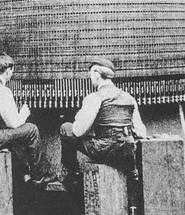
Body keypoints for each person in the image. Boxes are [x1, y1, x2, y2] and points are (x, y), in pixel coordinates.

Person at [0, 53, 55, 187]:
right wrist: (23, 114)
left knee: (10, 135)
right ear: (8, 71)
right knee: (31, 130)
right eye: (11, 72)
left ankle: (22, 174)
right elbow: (13, 123)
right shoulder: (3, 90)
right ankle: (39, 175)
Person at [59, 57, 147, 189]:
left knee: (66, 128)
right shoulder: (129, 98)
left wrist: (79, 117)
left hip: (105, 151)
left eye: (91, 75)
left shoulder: (95, 97)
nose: (91, 79)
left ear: (96, 74)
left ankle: (73, 175)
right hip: (126, 152)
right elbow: (141, 133)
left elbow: (77, 131)